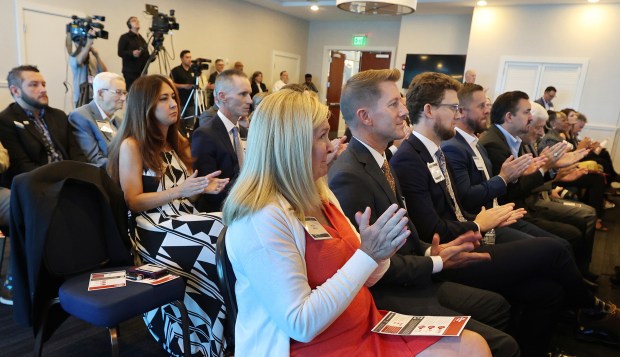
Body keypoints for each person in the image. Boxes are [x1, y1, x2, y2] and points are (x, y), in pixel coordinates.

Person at [222, 88, 491, 356]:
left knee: (475, 345)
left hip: (365, 324)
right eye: (321, 136)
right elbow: (300, 324)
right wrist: (367, 254)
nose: (331, 146)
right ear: (290, 146)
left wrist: (381, 249)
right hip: (316, 346)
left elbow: (369, 275)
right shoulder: (260, 217)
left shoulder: (320, 193)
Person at [393, 71, 620, 355]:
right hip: (453, 254)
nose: (457, 114)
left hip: (470, 237)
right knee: (554, 249)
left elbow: (456, 206)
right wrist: (478, 225)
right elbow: (432, 231)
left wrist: (483, 223)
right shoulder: (410, 158)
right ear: (428, 110)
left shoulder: (434, 150)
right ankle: (592, 309)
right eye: (453, 108)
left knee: (549, 292)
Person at [329, 69, 519, 356]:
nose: (405, 111)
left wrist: (436, 252)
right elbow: (372, 268)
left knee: (498, 306)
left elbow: (403, 240)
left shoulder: (380, 159)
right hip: (388, 296)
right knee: (503, 344)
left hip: (413, 273)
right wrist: (437, 261)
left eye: (401, 102)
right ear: (365, 116)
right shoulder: (350, 175)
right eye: (394, 104)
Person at [107, 74, 230, 356]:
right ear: (145, 105)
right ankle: (202, 339)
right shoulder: (132, 145)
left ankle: (225, 328)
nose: (173, 103)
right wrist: (180, 191)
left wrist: (203, 189)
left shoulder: (177, 142)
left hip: (181, 216)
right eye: (163, 98)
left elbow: (187, 195)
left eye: (173, 96)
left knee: (228, 226)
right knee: (212, 241)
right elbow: (134, 201)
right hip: (151, 226)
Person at [0, 65, 86, 188]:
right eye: (34, 85)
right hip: (38, 185)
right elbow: (21, 167)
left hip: (70, 179)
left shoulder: (58, 115)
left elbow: (76, 153)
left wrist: (83, 174)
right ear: (15, 91)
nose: (43, 90)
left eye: (43, 84)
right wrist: (62, 178)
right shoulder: (6, 120)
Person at [192, 69, 251, 213]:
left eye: (249, 94)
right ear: (222, 96)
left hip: (245, 207)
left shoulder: (244, 132)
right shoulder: (205, 135)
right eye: (243, 94)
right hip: (219, 212)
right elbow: (210, 190)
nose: (250, 100)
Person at [68, 72, 126, 168]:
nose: (123, 98)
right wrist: (127, 167)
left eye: (124, 93)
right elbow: (95, 160)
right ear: (101, 93)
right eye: (118, 92)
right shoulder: (81, 116)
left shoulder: (119, 121)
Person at [67, 29, 107, 107]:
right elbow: (80, 60)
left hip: (94, 96)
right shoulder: (74, 56)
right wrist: (88, 44)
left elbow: (104, 72)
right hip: (81, 97)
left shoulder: (92, 56)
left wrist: (97, 56)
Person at [117, 16, 149, 89]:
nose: (137, 21)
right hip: (130, 72)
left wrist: (152, 56)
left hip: (142, 72)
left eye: (138, 20)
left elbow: (146, 55)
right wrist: (132, 53)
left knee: (141, 93)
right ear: (129, 24)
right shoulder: (124, 37)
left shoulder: (142, 39)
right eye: (134, 20)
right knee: (131, 93)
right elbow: (120, 52)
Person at [170, 50, 196, 117]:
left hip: (191, 102)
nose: (189, 59)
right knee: (180, 123)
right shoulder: (176, 70)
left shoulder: (193, 70)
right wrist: (184, 86)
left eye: (190, 57)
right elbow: (170, 83)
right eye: (187, 57)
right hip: (180, 102)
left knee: (190, 124)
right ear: (181, 58)